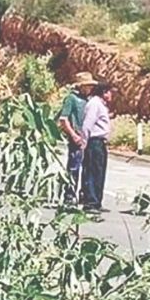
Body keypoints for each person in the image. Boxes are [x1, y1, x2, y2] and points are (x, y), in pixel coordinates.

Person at [56, 72, 96, 206]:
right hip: (77, 138)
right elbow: (64, 119)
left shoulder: (88, 100)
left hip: (87, 138)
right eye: (87, 86)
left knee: (87, 168)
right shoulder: (72, 99)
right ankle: (69, 194)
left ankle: (83, 194)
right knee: (74, 167)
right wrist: (73, 135)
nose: (90, 88)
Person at [79, 83, 114, 219]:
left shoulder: (99, 104)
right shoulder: (95, 104)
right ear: (104, 92)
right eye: (109, 92)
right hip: (94, 142)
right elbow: (88, 124)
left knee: (99, 171)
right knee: (93, 171)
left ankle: (96, 201)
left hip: (99, 142)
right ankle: (91, 202)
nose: (111, 95)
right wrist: (84, 141)